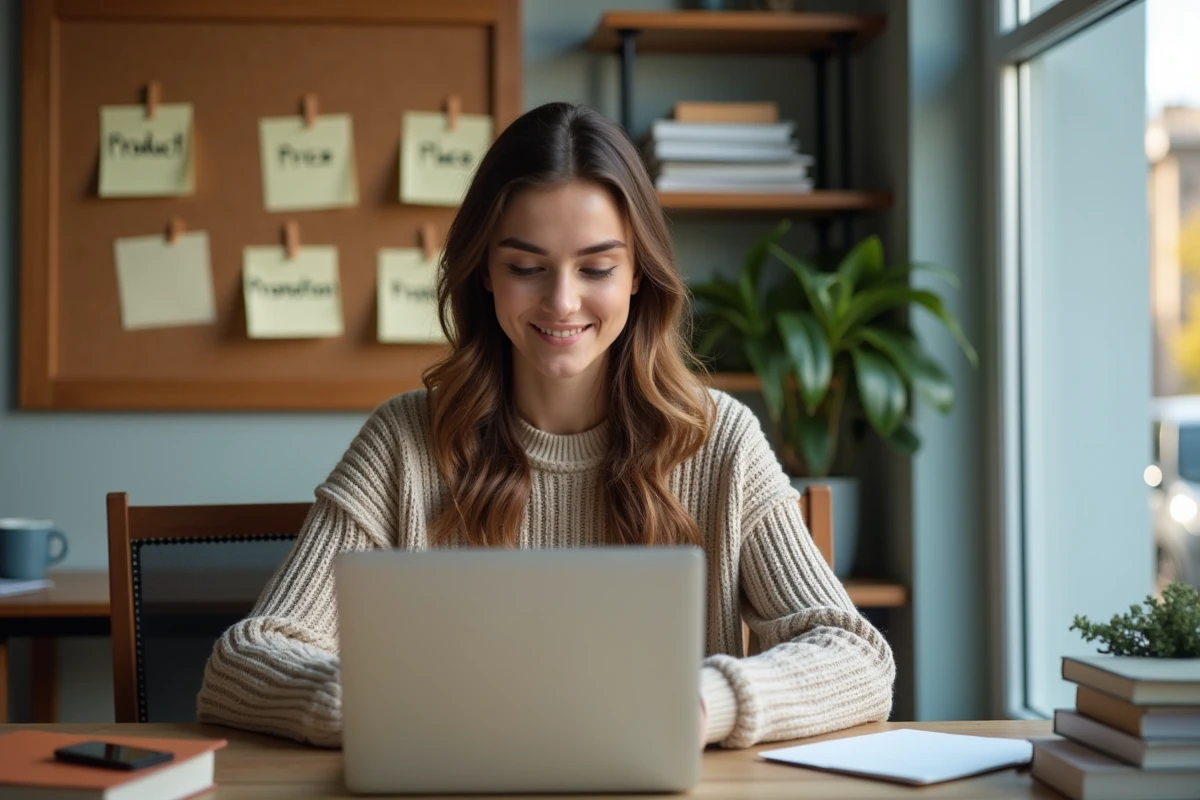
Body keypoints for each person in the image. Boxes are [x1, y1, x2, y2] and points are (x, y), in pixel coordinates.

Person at [196, 101, 894, 750]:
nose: (563, 302)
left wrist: (706, 701)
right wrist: (379, 705)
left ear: (638, 278)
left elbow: (857, 657)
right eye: (527, 267)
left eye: (596, 267)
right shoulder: (404, 442)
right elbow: (242, 660)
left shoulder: (720, 442)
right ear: (484, 276)